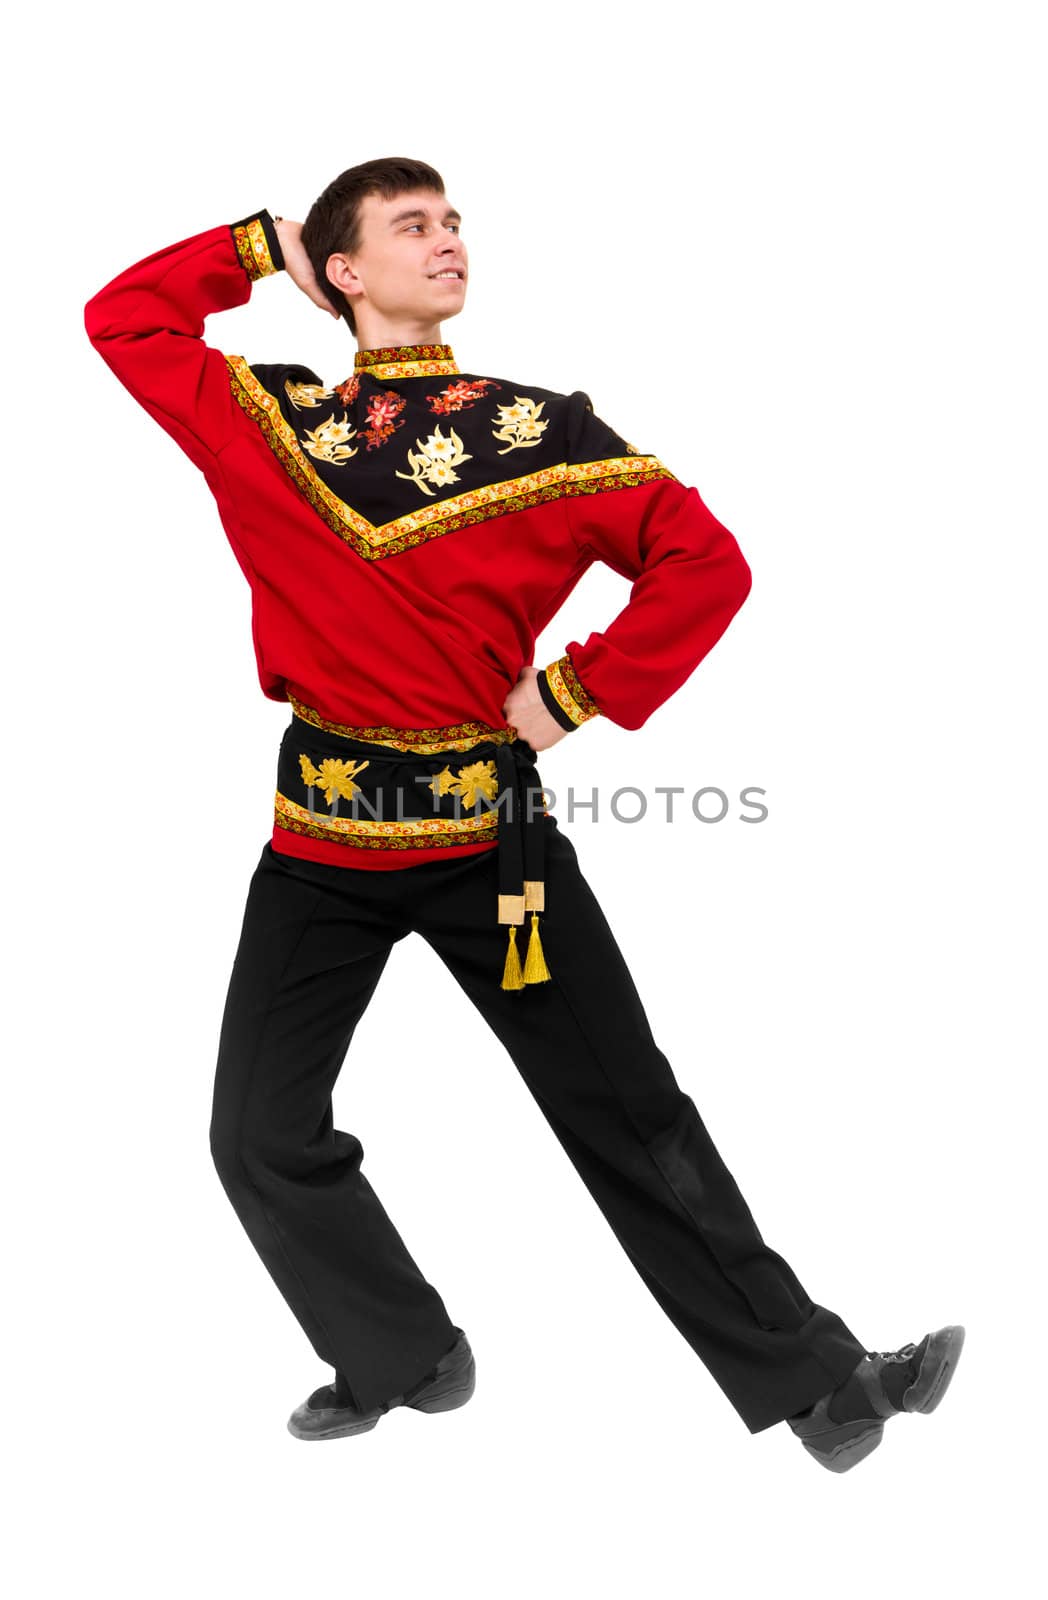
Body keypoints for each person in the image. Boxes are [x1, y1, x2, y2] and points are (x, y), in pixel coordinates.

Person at [83, 155, 964, 1471]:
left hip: (496, 862)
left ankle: (829, 1389)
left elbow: (704, 562)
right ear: (344, 271)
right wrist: (255, 243)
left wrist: (576, 691)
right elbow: (123, 318)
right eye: (409, 226)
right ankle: (402, 1356)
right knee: (258, 1132)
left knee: (631, 1116)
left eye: (452, 222)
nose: (445, 241)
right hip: (320, 853)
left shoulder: (538, 434)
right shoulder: (263, 422)